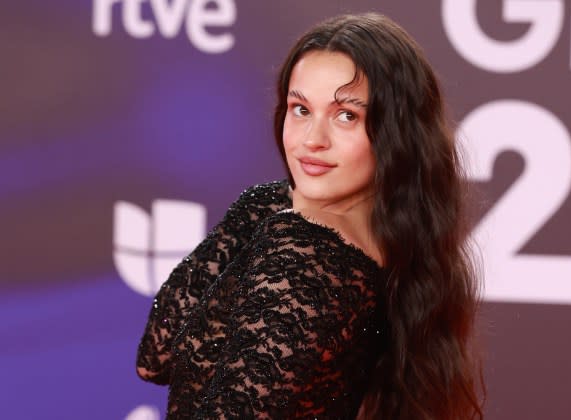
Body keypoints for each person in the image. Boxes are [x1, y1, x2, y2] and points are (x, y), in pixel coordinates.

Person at [136, 12, 484, 419]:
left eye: (346, 115)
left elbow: (158, 363)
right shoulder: (303, 220)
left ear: (395, 132)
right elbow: (154, 356)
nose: (312, 140)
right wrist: (261, 213)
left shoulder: (307, 252)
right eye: (300, 109)